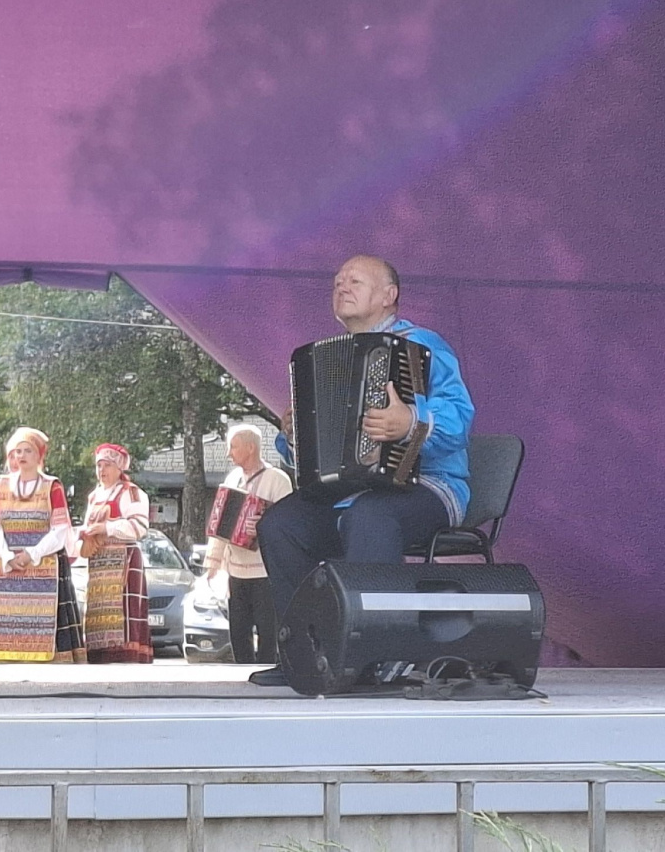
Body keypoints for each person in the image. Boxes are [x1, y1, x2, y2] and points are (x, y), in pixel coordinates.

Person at [252, 255, 474, 686]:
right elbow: (310, 460)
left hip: (430, 485)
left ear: (389, 295)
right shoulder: (326, 358)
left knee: (371, 515)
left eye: (354, 280)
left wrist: (410, 422)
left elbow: (461, 419)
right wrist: (295, 436)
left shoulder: (424, 345)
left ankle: (377, 653)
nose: (341, 287)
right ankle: (306, 655)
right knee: (281, 524)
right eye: (337, 281)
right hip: (351, 494)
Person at [0, 427, 87, 663]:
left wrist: (31, 554)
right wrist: (6, 554)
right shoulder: (0, 486)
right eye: (18, 451)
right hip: (5, 562)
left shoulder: (52, 486)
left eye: (28, 451)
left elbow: (59, 529)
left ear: (39, 456)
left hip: (43, 561)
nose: (21, 456)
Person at [203, 424, 292, 665]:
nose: (228, 454)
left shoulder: (278, 479)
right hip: (236, 571)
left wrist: (263, 524)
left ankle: (266, 670)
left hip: (265, 571)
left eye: (233, 447)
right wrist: (213, 563)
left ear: (251, 448)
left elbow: (286, 521)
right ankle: (242, 673)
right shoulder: (232, 479)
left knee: (267, 630)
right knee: (238, 629)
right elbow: (220, 524)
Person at [76, 443, 154, 664]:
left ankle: (125, 656)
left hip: (124, 561)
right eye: (99, 465)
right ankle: (99, 654)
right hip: (98, 563)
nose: (102, 470)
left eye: (107, 465)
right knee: (99, 613)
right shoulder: (94, 496)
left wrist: (107, 527)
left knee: (123, 613)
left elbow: (139, 527)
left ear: (119, 468)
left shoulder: (131, 492)